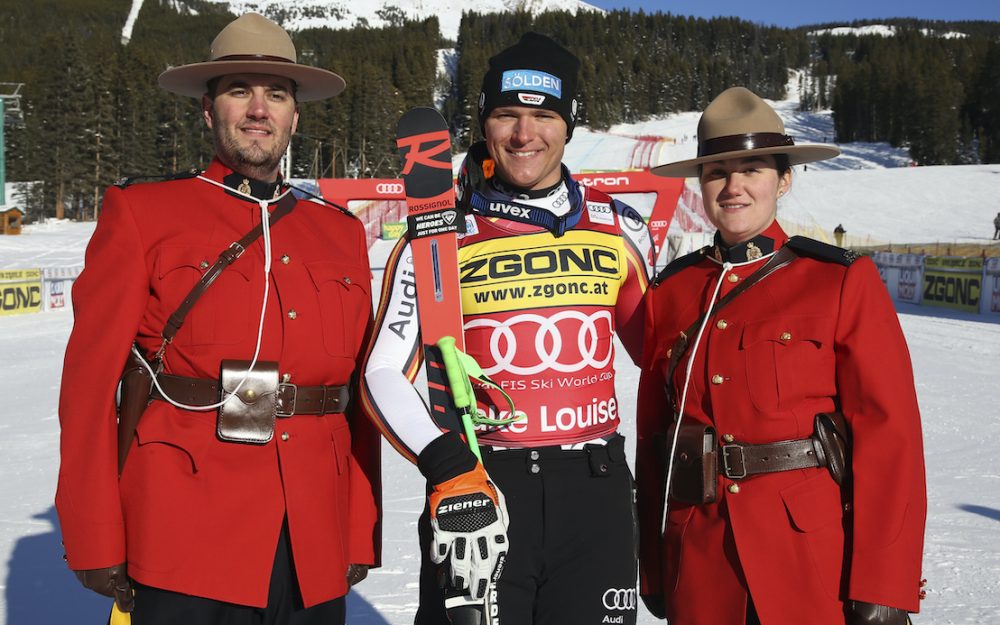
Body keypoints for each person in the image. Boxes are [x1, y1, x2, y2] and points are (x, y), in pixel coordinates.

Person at [56, 13, 380, 624]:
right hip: (184, 533)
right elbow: (89, 386)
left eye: (276, 95)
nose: (259, 109)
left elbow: (354, 395)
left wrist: (359, 525)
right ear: (208, 110)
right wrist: (95, 533)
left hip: (313, 535)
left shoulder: (339, 233)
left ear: (294, 115)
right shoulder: (144, 213)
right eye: (240, 91)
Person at [361, 32, 653, 625]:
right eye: (506, 115)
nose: (524, 135)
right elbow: (381, 371)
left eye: (543, 115)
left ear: (569, 124)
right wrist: (447, 465)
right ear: (484, 123)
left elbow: (665, 353)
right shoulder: (441, 233)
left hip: (595, 489)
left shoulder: (620, 225)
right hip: (483, 486)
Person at [636, 87, 927, 625]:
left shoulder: (837, 281)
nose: (734, 186)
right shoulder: (671, 294)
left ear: (784, 179)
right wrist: (653, 565)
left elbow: (891, 436)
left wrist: (885, 580)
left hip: (809, 560)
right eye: (718, 171)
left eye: (752, 169)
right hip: (700, 563)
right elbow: (657, 437)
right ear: (701, 185)